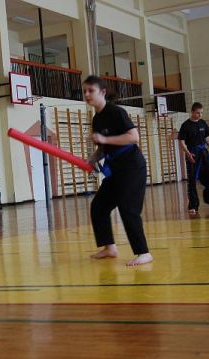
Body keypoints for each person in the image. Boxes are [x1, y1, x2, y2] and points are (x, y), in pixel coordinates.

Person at [82, 75, 153, 266]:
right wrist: (92, 159)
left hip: (132, 167)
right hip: (115, 169)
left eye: (91, 90)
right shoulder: (97, 119)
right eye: (85, 91)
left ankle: (144, 253)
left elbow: (133, 137)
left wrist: (104, 140)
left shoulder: (116, 112)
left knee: (128, 208)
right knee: (99, 206)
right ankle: (109, 248)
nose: (87, 94)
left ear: (103, 92)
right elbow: (103, 148)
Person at [178, 102, 209, 215]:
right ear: (192, 112)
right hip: (192, 154)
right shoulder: (185, 125)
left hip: (203, 153)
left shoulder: (203, 123)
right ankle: (193, 206)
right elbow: (181, 141)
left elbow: (207, 138)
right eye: (198, 113)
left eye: (201, 113)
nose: (200, 115)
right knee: (192, 181)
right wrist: (187, 153)